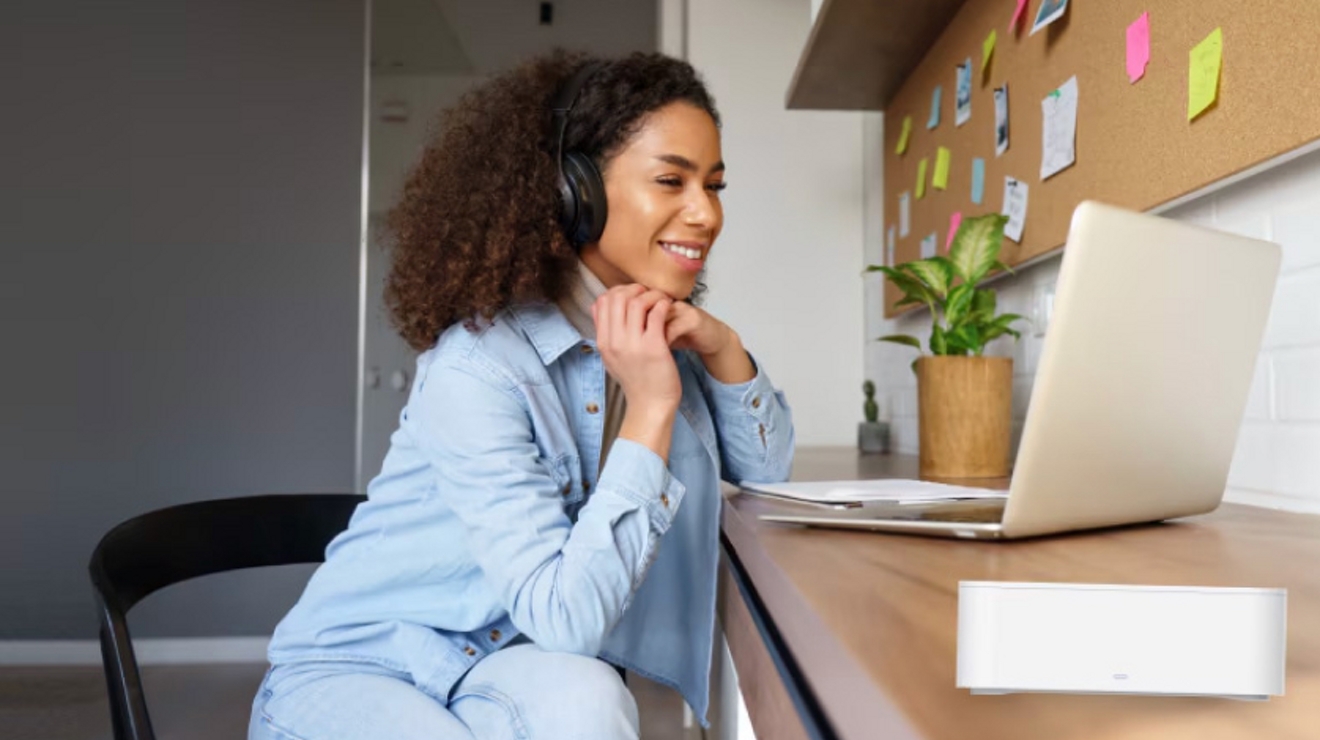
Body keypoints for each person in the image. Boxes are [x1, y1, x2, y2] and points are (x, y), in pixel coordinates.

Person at [248, 49, 795, 740]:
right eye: (671, 180)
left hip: (499, 665)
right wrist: (652, 410)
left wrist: (724, 350)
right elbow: (568, 617)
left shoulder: (655, 342)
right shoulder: (477, 368)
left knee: (589, 701)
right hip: (361, 666)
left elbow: (766, 478)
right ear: (575, 191)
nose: (706, 214)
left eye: (714, 186)